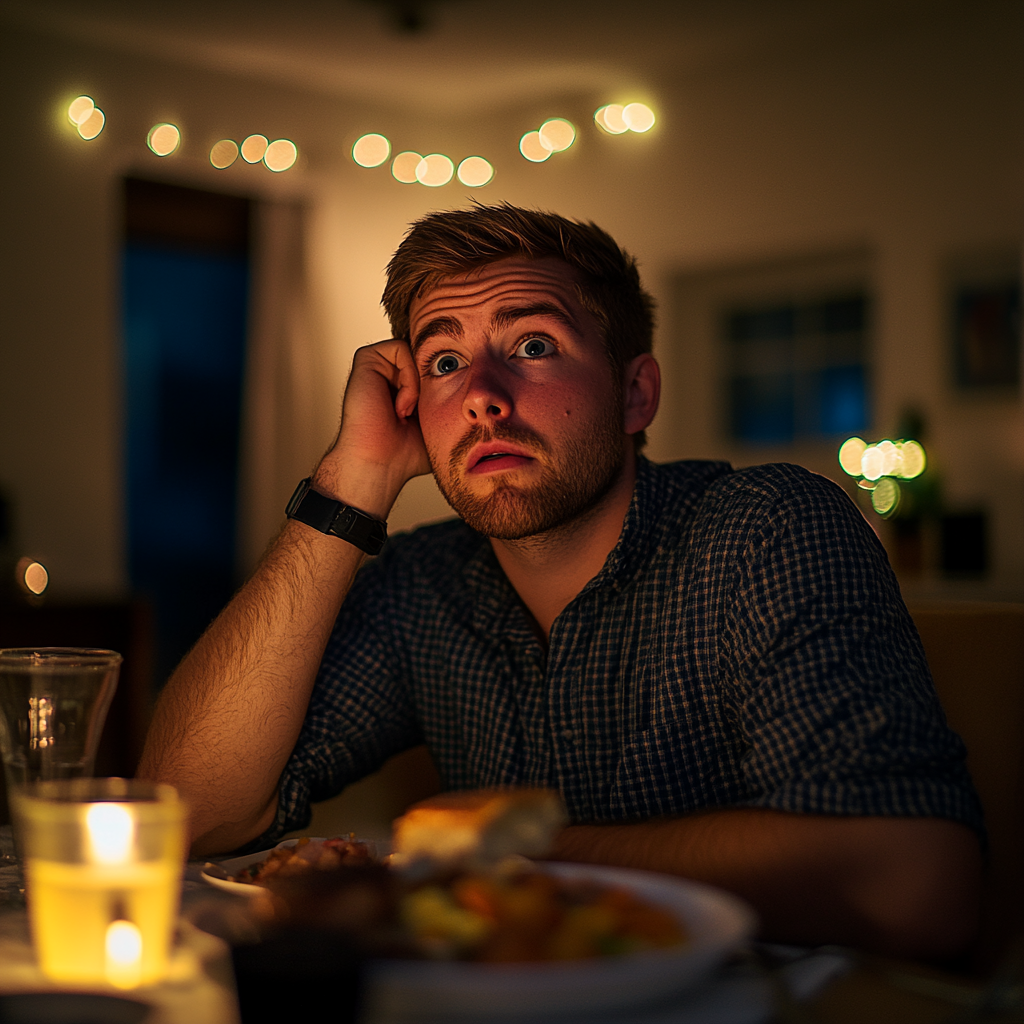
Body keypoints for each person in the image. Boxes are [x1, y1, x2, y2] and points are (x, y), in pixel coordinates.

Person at [138, 204, 982, 958]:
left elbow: (916, 887)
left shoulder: (765, 531)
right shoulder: (424, 584)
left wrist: (511, 856)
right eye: (442, 363)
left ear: (635, 392)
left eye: (533, 346)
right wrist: (349, 487)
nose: (481, 398)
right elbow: (188, 814)